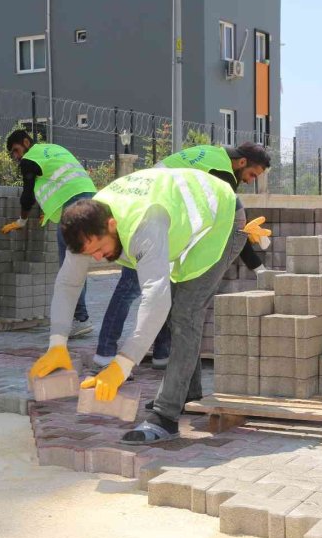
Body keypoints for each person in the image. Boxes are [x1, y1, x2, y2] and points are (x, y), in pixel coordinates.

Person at [27, 168, 271, 444]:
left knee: (184, 312)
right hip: (183, 214)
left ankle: (165, 417)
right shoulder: (87, 222)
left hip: (220, 217)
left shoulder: (144, 224)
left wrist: (123, 364)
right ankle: (185, 394)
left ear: (110, 224)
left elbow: (155, 298)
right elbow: (68, 283)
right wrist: (57, 343)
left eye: (99, 248)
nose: (97, 258)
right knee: (175, 313)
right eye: (89, 254)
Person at [92, 142, 272, 375]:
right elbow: (226, 221)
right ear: (241, 162)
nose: (250, 181)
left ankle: (162, 353)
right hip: (144, 217)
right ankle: (104, 355)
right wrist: (257, 266)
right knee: (131, 288)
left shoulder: (215, 155)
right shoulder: (222, 172)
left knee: (168, 287)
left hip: (163, 217)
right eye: (251, 174)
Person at [1, 130, 97, 338]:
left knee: (69, 264)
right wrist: (50, 207)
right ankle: (79, 317)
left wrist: (21, 220)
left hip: (72, 205)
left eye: (16, 150)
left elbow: (27, 195)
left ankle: (80, 318)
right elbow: (56, 180)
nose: (16, 156)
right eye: (13, 154)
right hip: (89, 198)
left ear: (26, 142)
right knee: (75, 261)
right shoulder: (52, 149)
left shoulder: (29, 159)